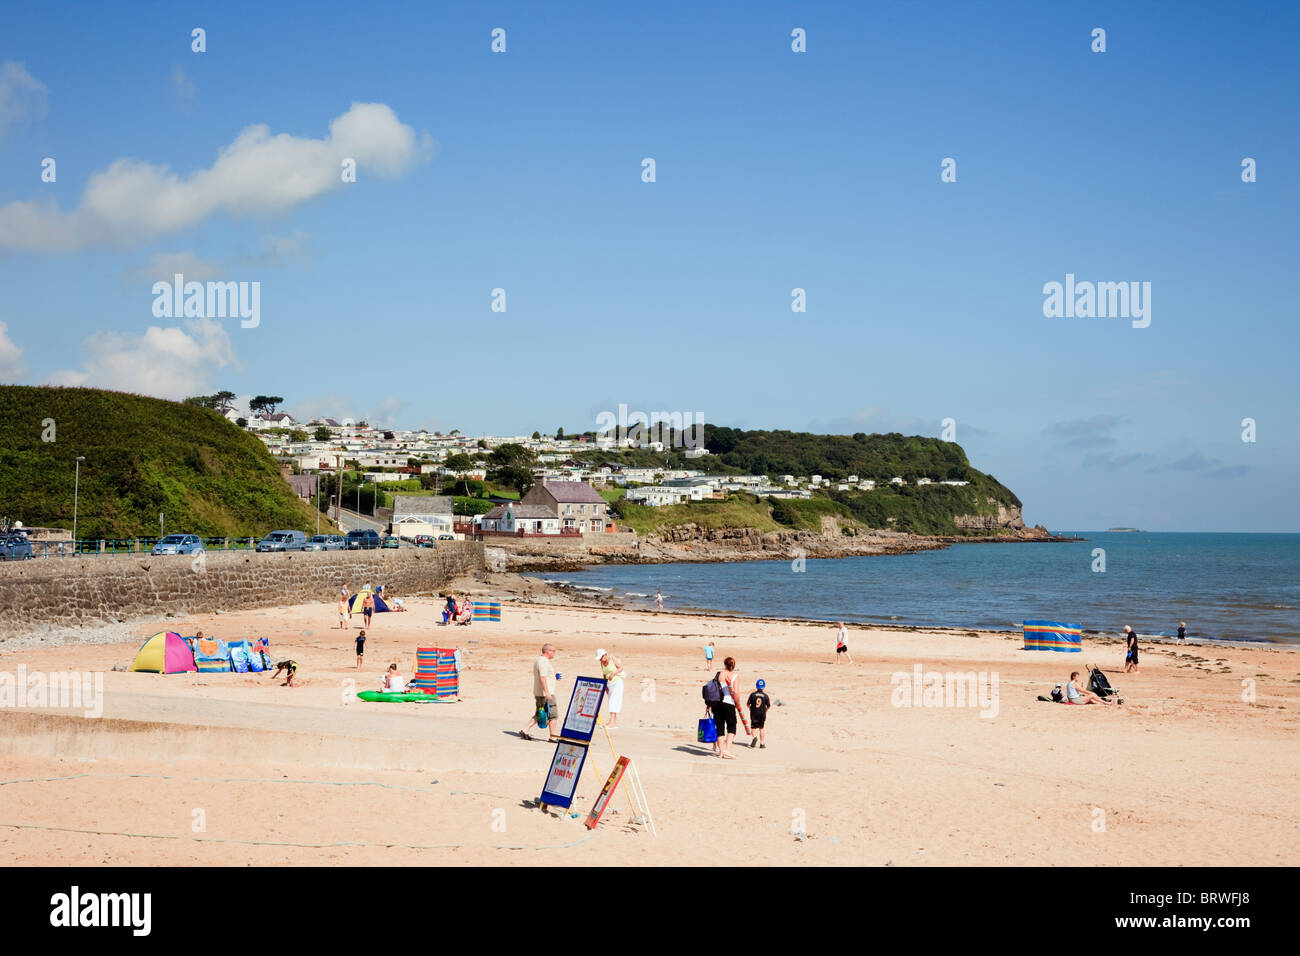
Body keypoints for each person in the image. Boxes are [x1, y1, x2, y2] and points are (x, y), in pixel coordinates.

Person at [520, 643, 560, 742]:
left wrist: (553, 677)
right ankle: (553, 736)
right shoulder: (544, 661)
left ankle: (525, 730)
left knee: (540, 712)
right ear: (548, 651)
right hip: (546, 693)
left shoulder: (538, 660)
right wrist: (547, 692)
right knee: (553, 714)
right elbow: (542, 677)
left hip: (539, 692)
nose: (554, 653)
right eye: (553, 651)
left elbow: (543, 676)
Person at [711, 656, 740, 759]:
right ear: (733, 666)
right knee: (732, 726)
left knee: (720, 727)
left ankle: (721, 753)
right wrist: (738, 704)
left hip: (716, 703)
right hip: (728, 703)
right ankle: (727, 750)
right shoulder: (734, 676)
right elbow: (736, 693)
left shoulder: (718, 674)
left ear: (724, 664)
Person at [597, 648, 625, 730]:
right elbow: (604, 674)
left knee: (613, 701)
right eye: (599, 658)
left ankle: (611, 722)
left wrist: (613, 673)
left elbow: (621, 668)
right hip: (609, 684)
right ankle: (614, 722)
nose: (600, 660)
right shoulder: (602, 663)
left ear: (605, 655)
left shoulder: (612, 659)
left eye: (601, 657)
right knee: (611, 700)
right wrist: (605, 685)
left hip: (617, 682)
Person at [747, 679, 771, 749]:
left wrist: (750, 708)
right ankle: (762, 744)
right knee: (761, 728)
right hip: (762, 714)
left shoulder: (752, 695)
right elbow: (768, 705)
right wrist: (765, 710)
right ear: (764, 687)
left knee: (753, 728)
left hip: (754, 714)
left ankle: (754, 738)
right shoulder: (765, 696)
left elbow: (748, 704)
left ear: (756, 686)